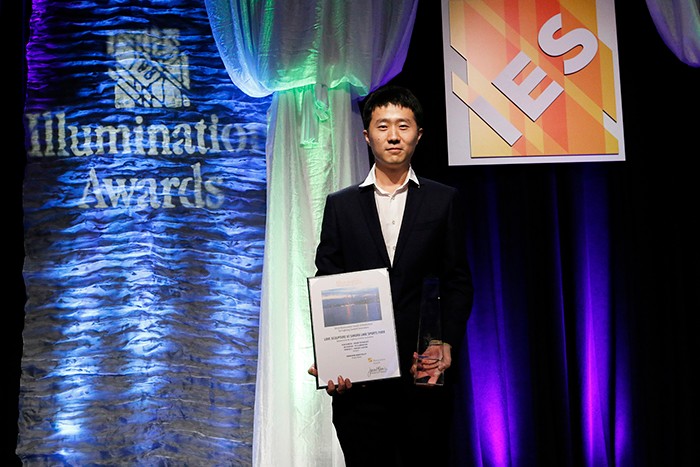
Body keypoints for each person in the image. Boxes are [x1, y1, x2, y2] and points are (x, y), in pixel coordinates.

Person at [308, 84, 473, 466]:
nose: (394, 136)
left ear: (419, 134)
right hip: (359, 384)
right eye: (383, 126)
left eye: (403, 125)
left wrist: (445, 341)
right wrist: (331, 356)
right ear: (367, 136)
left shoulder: (443, 199)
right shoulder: (341, 205)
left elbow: (457, 280)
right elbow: (328, 283)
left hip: (423, 374)